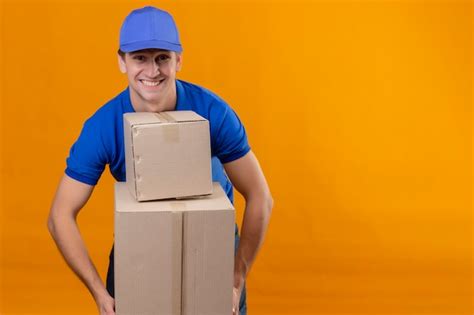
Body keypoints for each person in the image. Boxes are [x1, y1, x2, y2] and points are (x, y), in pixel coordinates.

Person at [47, 6, 273, 315]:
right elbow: (60, 214)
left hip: (210, 244)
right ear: (121, 61)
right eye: (140, 58)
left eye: (162, 58)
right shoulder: (104, 126)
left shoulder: (212, 113)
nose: (152, 71)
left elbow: (261, 196)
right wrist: (99, 292)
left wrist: (236, 276)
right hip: (141, 242)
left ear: (178, 59)